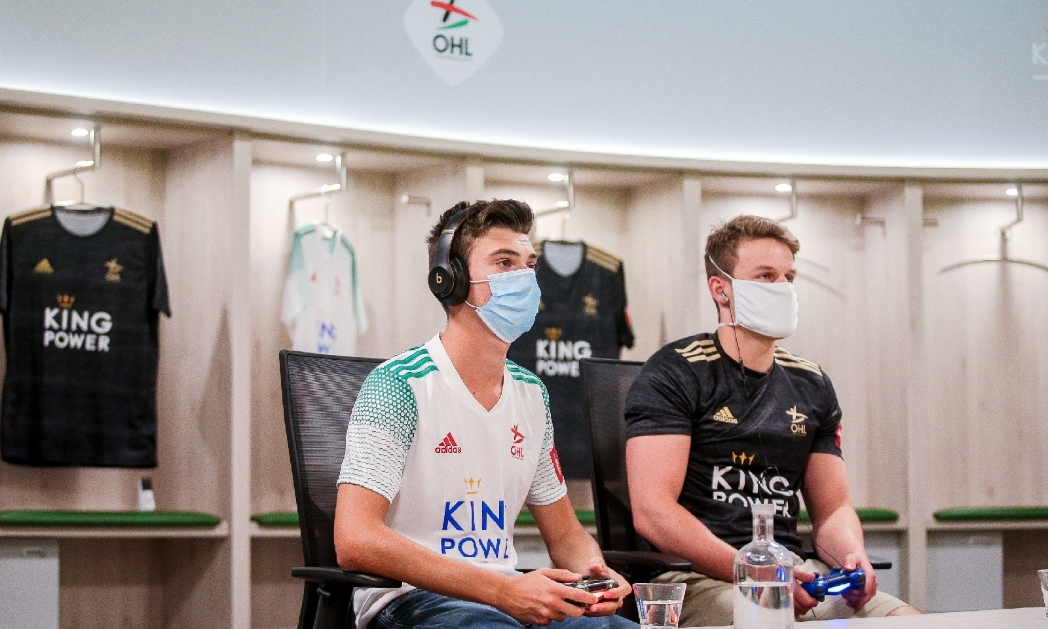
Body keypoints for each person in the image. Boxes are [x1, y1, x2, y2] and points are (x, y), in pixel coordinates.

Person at [334, 199, 635, 629]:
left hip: (506, 600)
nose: (525, 278)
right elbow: (355, 539)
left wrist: (596, 575)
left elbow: (566, 535)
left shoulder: (532, 394)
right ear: (451, 280)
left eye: (529, 265)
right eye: (505, 263)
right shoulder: (397, 385)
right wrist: (502, 590)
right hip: (412, 600)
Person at [623, 215, 920, 625]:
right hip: (698, 577)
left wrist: (851, 556)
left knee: (910, 619)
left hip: (793, 572)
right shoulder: (676, 371)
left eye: (788, 277)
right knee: (767, 619)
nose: (782, 288)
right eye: (765, 276)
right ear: (721, 289)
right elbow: (653, 512)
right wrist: (754, 574)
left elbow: (833, 509)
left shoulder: (812, 382)